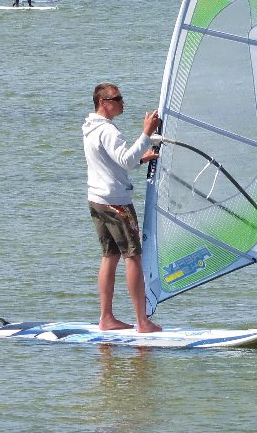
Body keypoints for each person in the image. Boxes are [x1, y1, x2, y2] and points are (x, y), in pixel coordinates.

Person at [82, 83, 162, 333]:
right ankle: (142, 321)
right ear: (103, 103)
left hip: (97, 199)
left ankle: (106, 318)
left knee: (110, 256)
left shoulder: (90, 127)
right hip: (116, 202)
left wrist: (141, 157)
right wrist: (146, 133)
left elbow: (115, 162)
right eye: (117, 99)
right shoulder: (107, 131)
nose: (122, 102)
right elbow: (126, 161)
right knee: (133, 257)